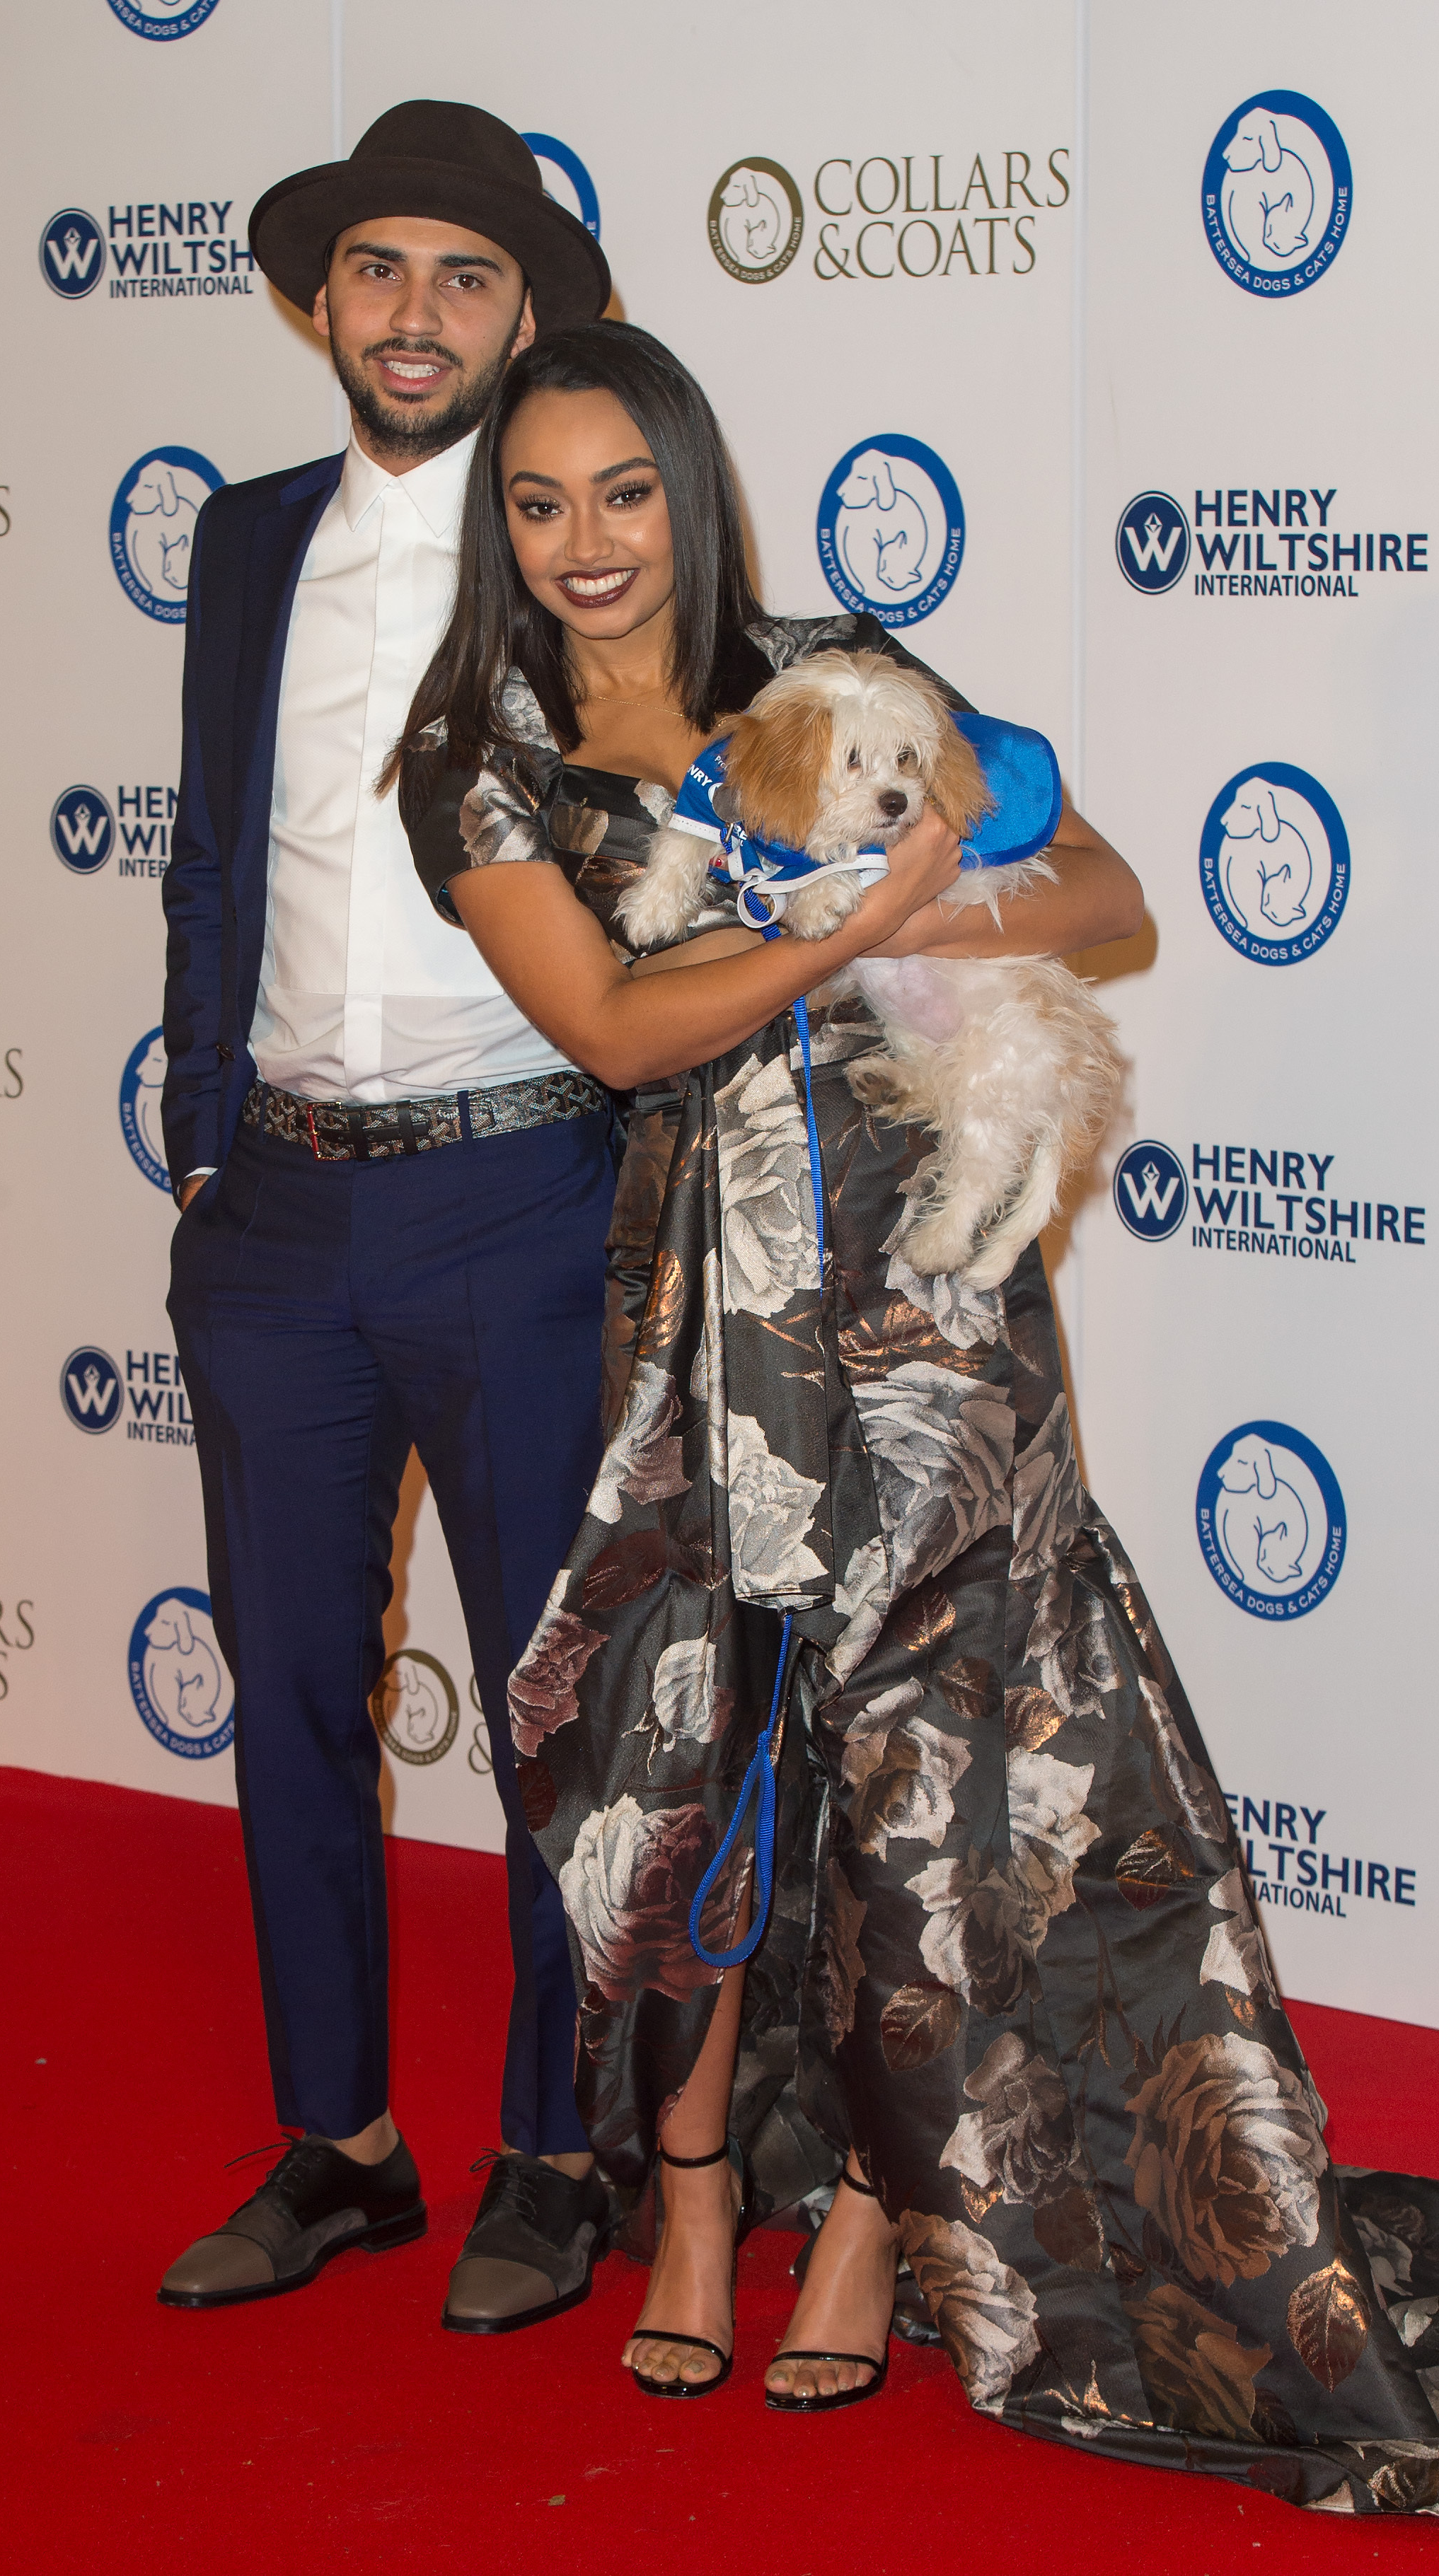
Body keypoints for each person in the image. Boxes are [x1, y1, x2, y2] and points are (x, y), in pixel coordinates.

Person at [398, 320, 1439, 2514]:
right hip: (700, 1326)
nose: (587, 542)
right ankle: (696, 2201)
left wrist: (914, 907)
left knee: (927, 1776)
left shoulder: (833, 673)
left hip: (941, 1306)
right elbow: (616, 1030)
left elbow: (1108, 896)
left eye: (625, 491)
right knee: (688, 1757)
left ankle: (876, 2219)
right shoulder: (484, 764)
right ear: (501, 522)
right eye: (539, 501)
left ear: (692, 489)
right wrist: (843, 919)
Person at [158, 100, 627, 2335]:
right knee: (286, 1695)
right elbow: (209, 849)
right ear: (320, 300)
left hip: (516, 1197)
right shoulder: (246, 541)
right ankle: (340, 2139)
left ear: (522, 315)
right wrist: (199, 1143)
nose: (414, 313)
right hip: (273, 1212)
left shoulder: (575, 549)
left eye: (462, 275)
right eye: (377, 270)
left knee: (553, 1704)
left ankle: (558, 2147)